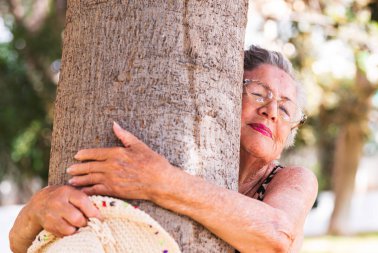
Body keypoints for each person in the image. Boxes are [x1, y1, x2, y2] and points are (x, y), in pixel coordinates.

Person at [9, 45, 318, 253]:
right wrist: (37, 209)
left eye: (286, 109)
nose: (272, 111)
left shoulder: (293, 180)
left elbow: (277, 237)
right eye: (259, 93)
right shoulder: (185, 153)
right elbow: (17, 243)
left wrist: (158, 180)